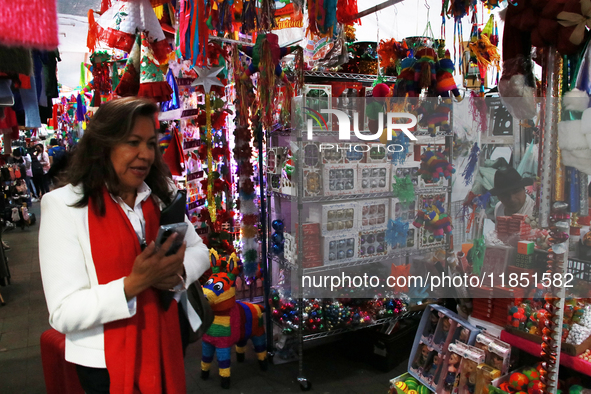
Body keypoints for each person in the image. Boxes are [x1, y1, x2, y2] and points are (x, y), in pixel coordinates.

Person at [39, 98, 210, 393]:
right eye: (133, 142)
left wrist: (177, 271)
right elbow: (63, 311)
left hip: (167, 339)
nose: (145, 154)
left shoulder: (161, 192)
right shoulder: (63, 206)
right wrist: (133, 285)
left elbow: (200, 252)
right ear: (103, 145)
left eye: (150, 143)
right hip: (104, 362)